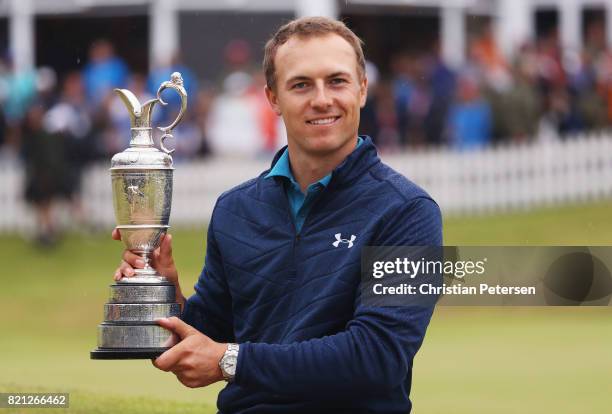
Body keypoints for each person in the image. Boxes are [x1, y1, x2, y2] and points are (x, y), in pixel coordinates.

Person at [114, 17, 441, 413]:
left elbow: (377, 357)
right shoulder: (235, 209)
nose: (321, 99)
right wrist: (165, 294)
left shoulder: (409, 212)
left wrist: (229, 362)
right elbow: (212, 335)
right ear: (272, 99)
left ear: (362, 90)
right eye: (301, 85)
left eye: (336, 81)